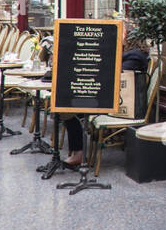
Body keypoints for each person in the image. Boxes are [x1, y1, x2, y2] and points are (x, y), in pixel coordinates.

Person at [64, 34, 151, 166]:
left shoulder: (135, 57)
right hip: (110, 99)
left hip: (114, 104)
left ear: (129, 39)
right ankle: (78, 151)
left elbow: (117, 78)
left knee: (69, 108)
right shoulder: (132, 55)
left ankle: (79, 153)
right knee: (69, 106)